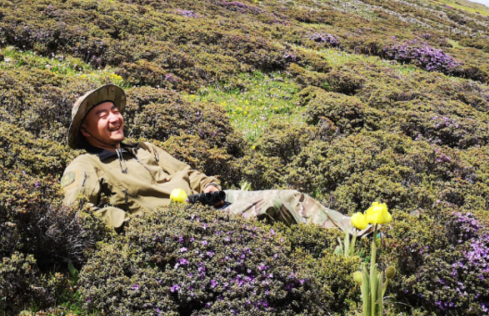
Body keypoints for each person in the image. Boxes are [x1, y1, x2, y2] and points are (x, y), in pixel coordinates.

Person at [60, 83, 355, 233]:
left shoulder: (144, 149)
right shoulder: (85, 166)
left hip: (207, 207)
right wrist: (141, 227)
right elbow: (78, 211)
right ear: (85, 130)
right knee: (273, 205)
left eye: (116, 111)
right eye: (102, 114)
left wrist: (209, 188)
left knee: (292, 196)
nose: (115, 118)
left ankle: (359, 233)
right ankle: (338, 244)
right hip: (176, 225)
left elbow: (188, 173)